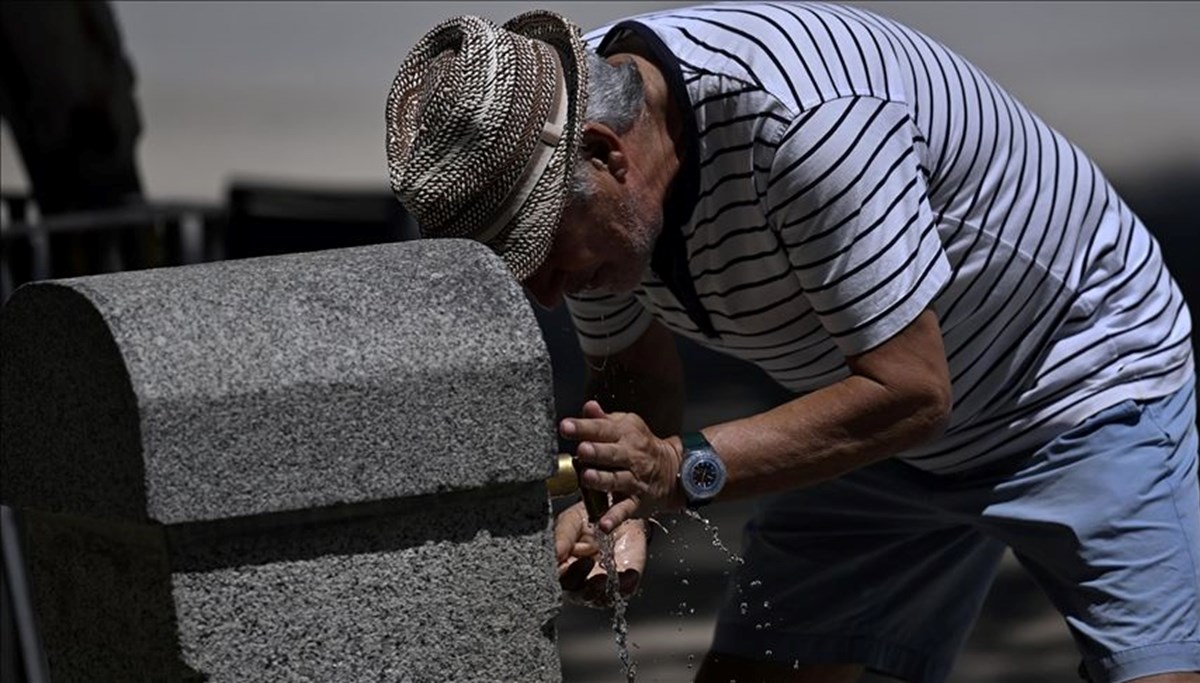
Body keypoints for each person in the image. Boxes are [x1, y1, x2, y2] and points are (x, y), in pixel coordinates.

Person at [384, 4, 1198, 682]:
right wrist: (628, 510)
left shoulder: (807, 126)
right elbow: (632, 366)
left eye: (549, 250)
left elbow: (912, 393)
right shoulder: (567, 136)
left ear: (607, 154)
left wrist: (674, 469)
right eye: (520, 269)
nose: (548, 294)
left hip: (1076, 387)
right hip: (879, 432)